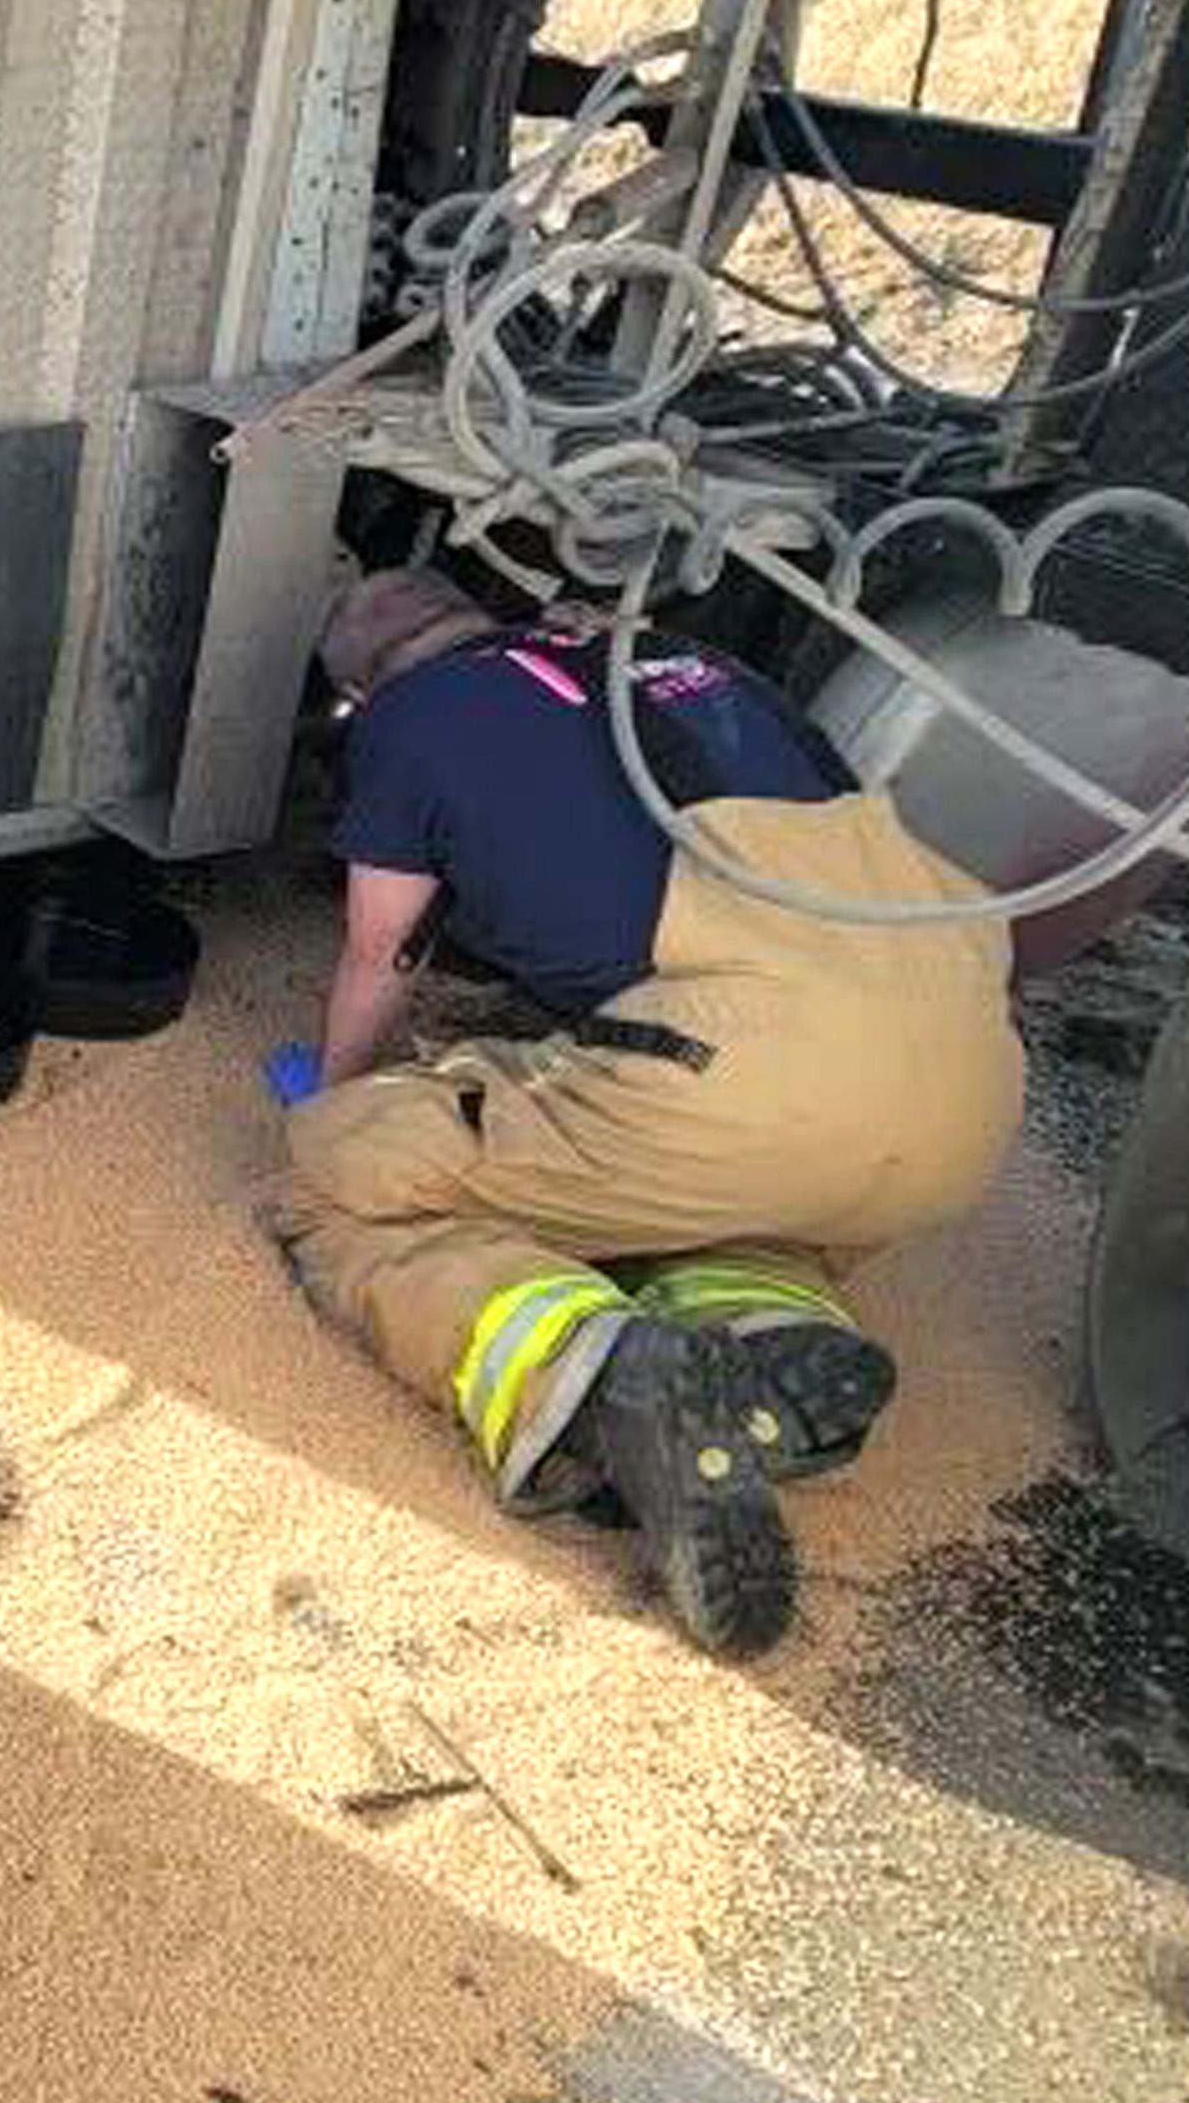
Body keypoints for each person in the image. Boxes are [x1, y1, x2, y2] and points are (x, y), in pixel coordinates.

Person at [267, 564, 1022, 1655]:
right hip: (960, 1093)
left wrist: (347, 1095)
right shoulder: (682, 662)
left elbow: (381, 952)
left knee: (332, 1170)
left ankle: (595, 1378)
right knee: (726, 1191)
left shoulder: (410, 722)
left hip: (745, 1088)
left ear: (356, 693)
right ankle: (770, 1333)